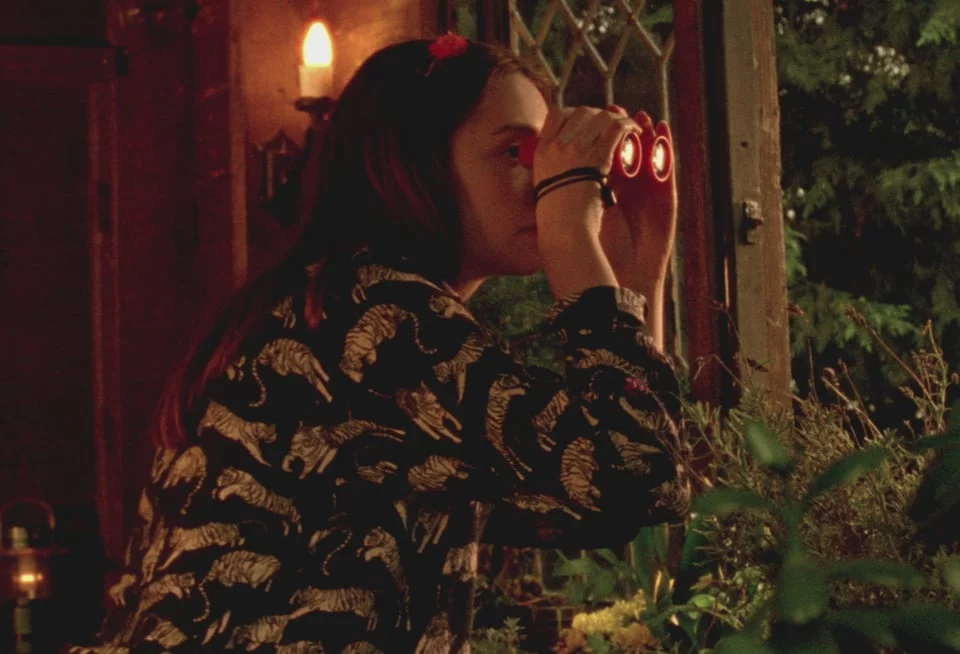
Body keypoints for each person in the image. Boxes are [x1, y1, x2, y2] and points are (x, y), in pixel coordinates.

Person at [69, 33, 688, 653]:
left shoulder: (341, 299)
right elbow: (633, 476)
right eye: (515, 151)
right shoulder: (372, 312)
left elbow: (587, 505)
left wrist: (635, 272)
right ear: (415, 163)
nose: (544, 180)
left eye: (546, 155)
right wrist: (573, 236)